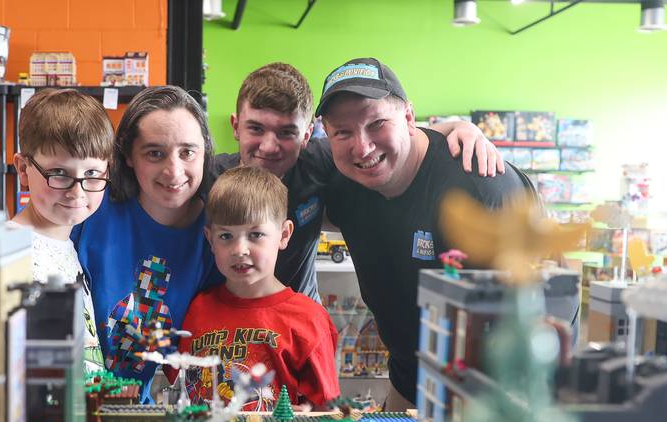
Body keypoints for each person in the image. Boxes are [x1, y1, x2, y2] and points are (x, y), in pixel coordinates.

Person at [317, 58, 537, 411]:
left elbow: (531, 320)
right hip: (408, 379)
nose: (362, 147)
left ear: (408, 117)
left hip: (494, 396)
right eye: (343, 132)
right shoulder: (345, 185)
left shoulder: (479, 188)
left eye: (377, 123)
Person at [215, 62, 505, 302]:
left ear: (306, 137)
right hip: (222, 329)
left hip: (299, 328)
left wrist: (460, 128)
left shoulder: (318, 161)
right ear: (235, 126)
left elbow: (394, 135)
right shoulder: (210, 178)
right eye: (255, 128)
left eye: (286, 132)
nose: (269, 146)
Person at [72, 86, 218, 402]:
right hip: (71, 406)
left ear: (205, 151)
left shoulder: (219, 236)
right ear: (127, 156)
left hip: (136, 412)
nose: (174, 171)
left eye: (188, 152)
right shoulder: (90, 211)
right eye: (155, 153)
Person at [174, 166, 339, 411]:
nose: (240, 249)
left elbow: (328, 412)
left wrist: (308, 416)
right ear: (210, 239)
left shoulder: (309, 320)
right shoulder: (196, 308)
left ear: (284, 234)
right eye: (226, 236)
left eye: (256, 234)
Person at [10, 88, 114, 373]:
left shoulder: (69, 245)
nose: (77, 192)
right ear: (23, 169)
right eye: (59, 174)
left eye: (92, 174)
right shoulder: (11, 252)